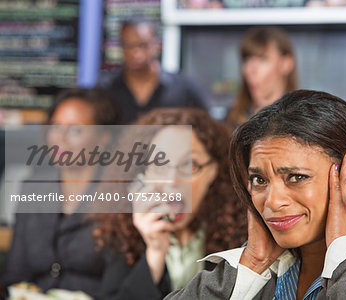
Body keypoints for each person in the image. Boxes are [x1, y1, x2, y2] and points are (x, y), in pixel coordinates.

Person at [165, 90, 346, 299]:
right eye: (259, 180)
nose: (273, 201)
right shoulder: (261, 269)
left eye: (296, 177)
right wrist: (252, 263)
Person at [93, 108, 248, 299]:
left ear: (213, 171)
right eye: (159, 164)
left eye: (189, 165)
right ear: (143, 175)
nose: (172, 180)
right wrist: (155, 253)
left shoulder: (239, 236)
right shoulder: (124, 234)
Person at [0, 88, 122, 298]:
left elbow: (124, 287)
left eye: (76, 130)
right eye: (56, 126)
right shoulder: (32, 187)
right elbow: (15, 273)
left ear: (104, 137)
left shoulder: (118, 194)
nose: (61, 138)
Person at [98, 19, 210, 124]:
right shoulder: (105, 91)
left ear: (156, 45)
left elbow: (206, 130)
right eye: (128, 45)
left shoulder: (185, 88)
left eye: (142, 45)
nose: (135, 52)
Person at [226, 26, 297, 128]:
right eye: (247, 60)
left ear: (286, 64)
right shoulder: (231, 121)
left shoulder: (303, 122)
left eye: (262, 60)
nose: (251, 70)